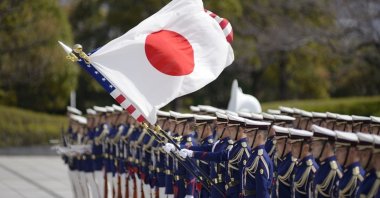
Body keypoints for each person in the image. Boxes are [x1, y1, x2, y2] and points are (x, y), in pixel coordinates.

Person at [178, 114, 251, 197]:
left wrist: (192, 153)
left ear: (240, 129)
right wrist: (183, 148)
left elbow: (243, 174)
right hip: (219, 189)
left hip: (227, 190)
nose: (230, 131)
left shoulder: (239, 147)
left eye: (231, 129)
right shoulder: (228, 145)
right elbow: (204, 149)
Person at [241, 119, 273, 197]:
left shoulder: (260, 158)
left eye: (250, 135)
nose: (247, 138)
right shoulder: (254, 154)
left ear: (259, 136)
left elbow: (262, 191)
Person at [311, 125, 342, 198]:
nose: (312, 147)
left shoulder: (334, 171)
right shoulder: (322, 166)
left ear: (327, 146)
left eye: (316, 144)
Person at [289, 128, 319, 198]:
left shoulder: (311, 170)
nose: (291, 149)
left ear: (305, 148)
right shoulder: (300, 165)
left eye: (295, 146)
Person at [334, 130, 364, 197]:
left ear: (352, 152)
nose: (336, 154)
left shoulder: (357, 178)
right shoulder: (347, 172)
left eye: (340, 150)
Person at [272, 125, 296, 198]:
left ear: (288, 143)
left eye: (279, 143)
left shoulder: (293, 163)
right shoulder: (280, 160)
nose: (275, 146)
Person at [356, 132, 380, 197]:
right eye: (359, 154)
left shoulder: (375, 179)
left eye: (364, 155)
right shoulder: (367, 176)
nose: (359, 159)